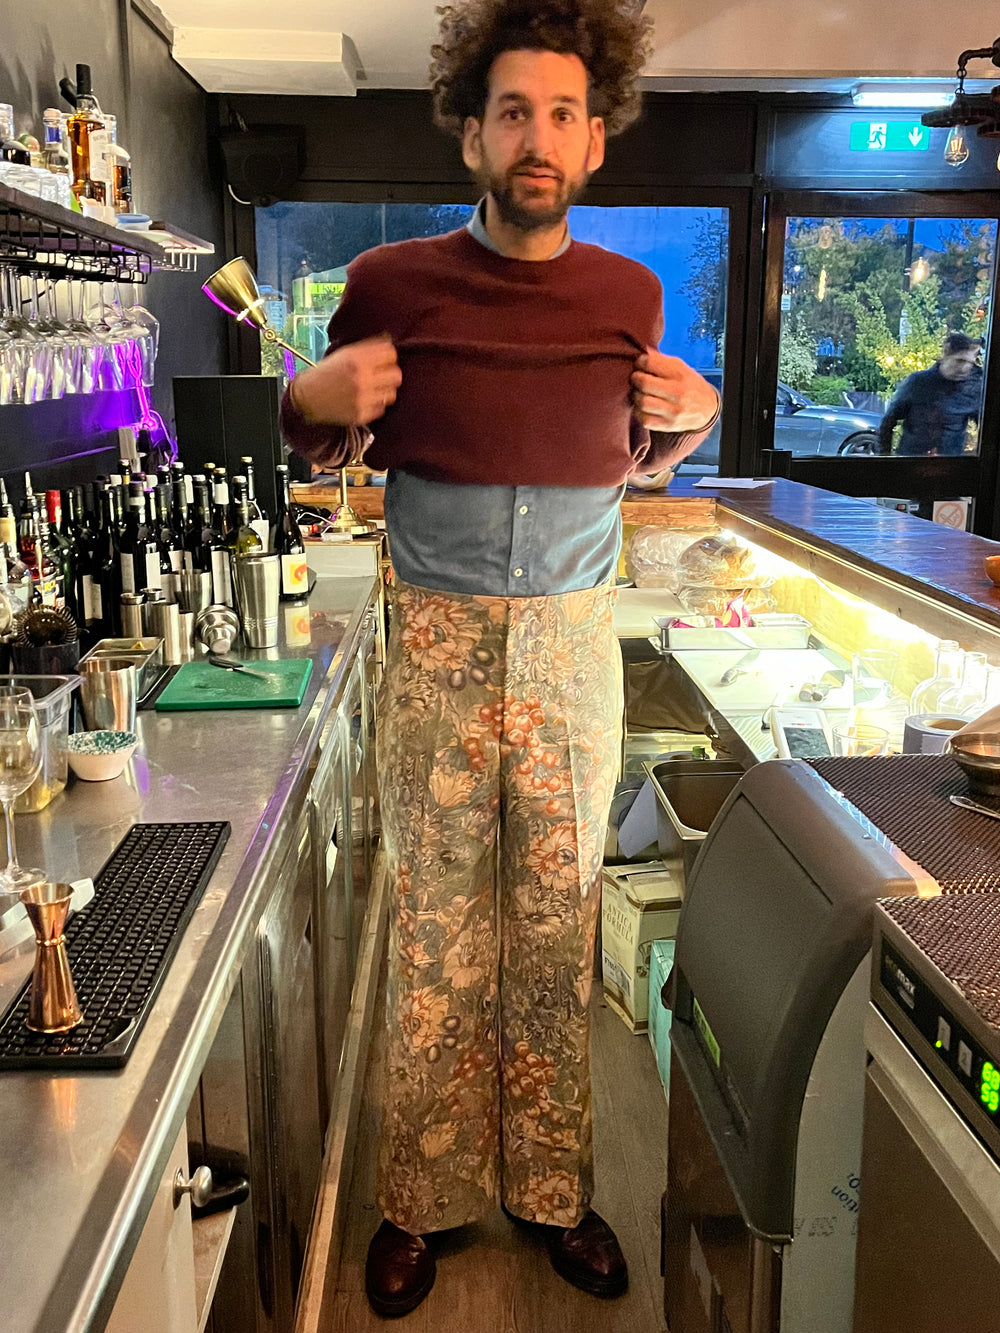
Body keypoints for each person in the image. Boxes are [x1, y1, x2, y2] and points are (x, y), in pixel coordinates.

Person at [280, 0, 719, 1316]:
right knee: (430, 937)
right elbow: (318, 434)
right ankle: (422, 1199)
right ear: (471, 135)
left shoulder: (628, 296)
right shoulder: (393, 284)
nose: (539, 137)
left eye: (565, 116)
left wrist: (688, 425)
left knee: (554, 928)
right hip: (440, 644)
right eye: (514, 112)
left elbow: (629, 455)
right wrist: (307, 397)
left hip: (576, 646)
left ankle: (552, 1189)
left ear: (596, 146)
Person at [876, 332, 983, 457]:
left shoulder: (972, 388)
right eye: (959, 361)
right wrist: (884, 457)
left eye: (969, 363)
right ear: (946, 353)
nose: (964, 368)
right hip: (912, 462)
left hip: (951, 465)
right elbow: (888, 421)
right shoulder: (918, 382)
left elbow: (985, 424)